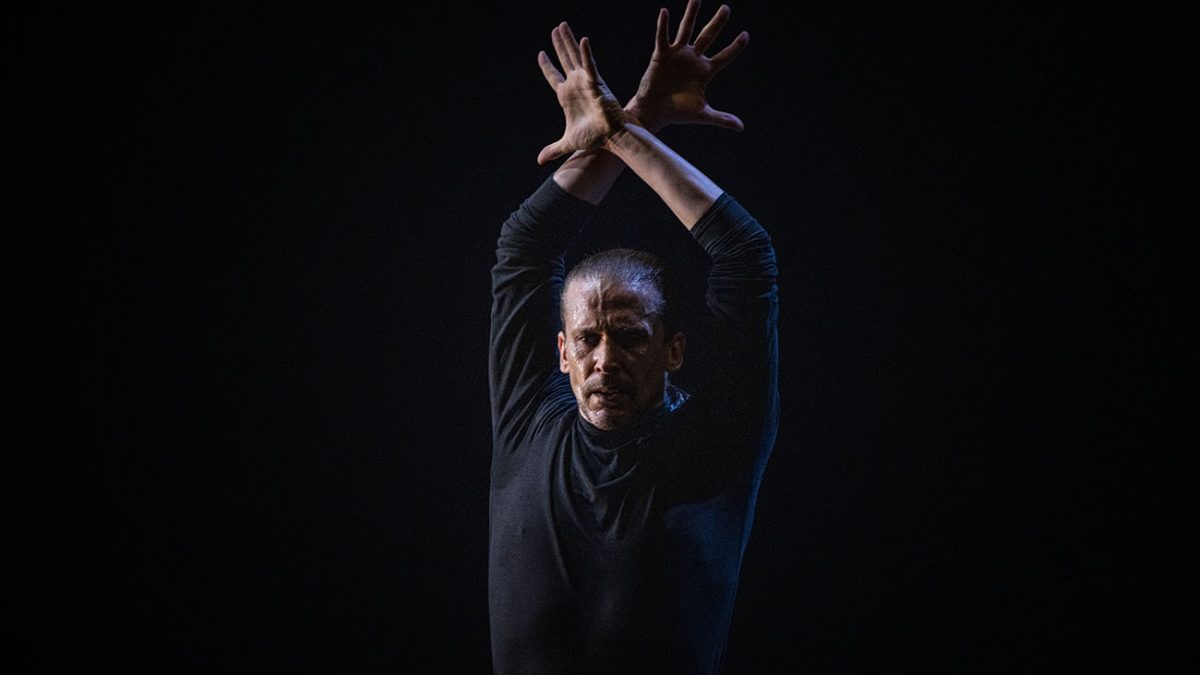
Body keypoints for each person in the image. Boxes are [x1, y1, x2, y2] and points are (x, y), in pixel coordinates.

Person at [487, 2, 779, 673]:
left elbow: (746, 254)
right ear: (562, 351)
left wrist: (624, 130)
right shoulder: (528, 422)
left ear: (674, 349)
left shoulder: (716, 441)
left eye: (630, 337)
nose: (605, 359)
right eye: (587, 339)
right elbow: (523, 248)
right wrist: (635, 121)